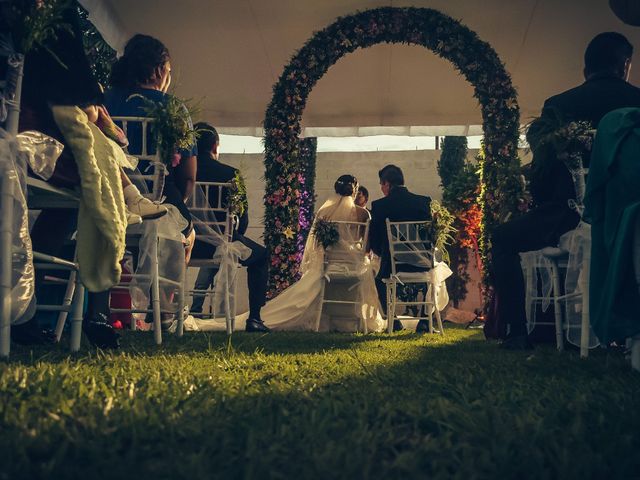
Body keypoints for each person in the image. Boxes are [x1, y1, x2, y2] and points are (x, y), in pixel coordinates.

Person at [489, 32, 640, 350]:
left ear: (586, 69)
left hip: (568, 214)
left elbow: (543, 172)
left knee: (502, 240)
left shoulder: (560, 105)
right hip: (631, 213)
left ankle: (518, 333)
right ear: (625, 65)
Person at [235, 175, 382, 332]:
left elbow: (317, 245)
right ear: (355, 191)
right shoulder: (364, 215)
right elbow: (366, 249)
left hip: (328, 263)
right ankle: (357, 318)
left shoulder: (324, 212)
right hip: (354, 265)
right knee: (368, 266)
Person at [104, 34, 196, 259]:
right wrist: (175, 204)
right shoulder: (173, 108)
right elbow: (189, 177)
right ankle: (162, 293)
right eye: (169, 71)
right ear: (157, 71)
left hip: (106, 189)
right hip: (158, 194)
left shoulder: (103, 100)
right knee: (188, 232)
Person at [188, 123, 269, 333]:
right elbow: (242, 222)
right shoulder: (231, 174)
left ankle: (160, 309)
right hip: (222, 244)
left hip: (186, 246)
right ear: (215, 146)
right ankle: (255, 318)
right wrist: (230, 237)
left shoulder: (182, 172)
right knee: (262, 256)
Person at [368, 165, 432, 333]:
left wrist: (386, 254)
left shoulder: (380, 206)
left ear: (387, 184)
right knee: (433, 273)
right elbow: (430, 237)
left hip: (393, 266)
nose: (381, 189)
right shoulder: (423, 202)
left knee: (378, 279)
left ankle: (394, 321)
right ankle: (425, 320)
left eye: (381, 185)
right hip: (422, 263)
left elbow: (374, 242)